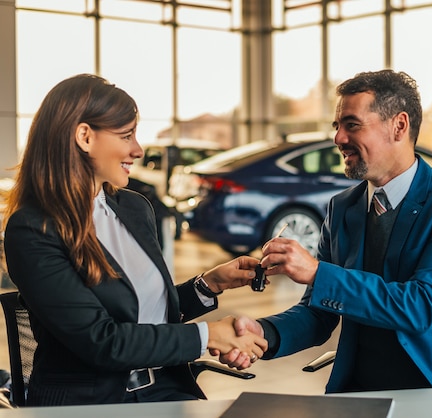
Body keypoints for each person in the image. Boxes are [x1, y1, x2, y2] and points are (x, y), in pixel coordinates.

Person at [221, 69, 432, 392]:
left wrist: (316, 273)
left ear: (399, 126)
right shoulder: (342, 208)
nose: (338, 138)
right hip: (361, 391)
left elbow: (421, 305)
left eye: (351, 125)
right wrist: (264, 332)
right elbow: (318, 313)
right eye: (337, 127)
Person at [1, 74, 267, 406]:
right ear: (84, 136)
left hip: (164, 391)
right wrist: (210, 335)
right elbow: (103, 341)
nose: (138, 150)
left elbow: (144, 315)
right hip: (90, 404)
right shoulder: (33, 230)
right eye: (126, 135)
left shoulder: (133, 208)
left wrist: (208, 284)